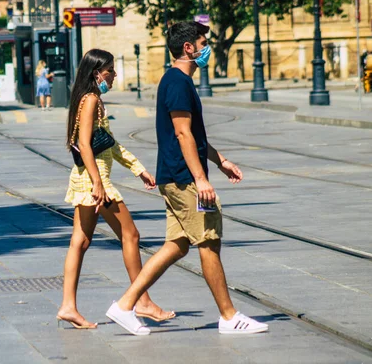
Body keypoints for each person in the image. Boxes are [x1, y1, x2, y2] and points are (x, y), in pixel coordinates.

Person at [105, 22, 269, 336]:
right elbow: (182, 134)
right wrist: (200, 179)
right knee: (208, 241)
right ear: (189, 48)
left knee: (177, 245)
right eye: (203, 43)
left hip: (175, 176)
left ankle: (125, 305)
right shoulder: (178, 83)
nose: (207, 49)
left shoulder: (177, 81)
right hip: (183, 179)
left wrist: (220, 162)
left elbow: (193, 134)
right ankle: (228, 315)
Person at [57, 49, 174, 330]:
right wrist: (98, 183)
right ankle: (142, 301)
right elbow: (85, 144)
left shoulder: (88, 100)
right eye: (111, 71)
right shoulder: (91, 100)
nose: (115, 75)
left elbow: (106, 142)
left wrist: (138, 169)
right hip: (95, 181)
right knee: (130, 234)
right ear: (97, 73)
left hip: (86, 177)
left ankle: (68, 306)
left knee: (80, 242)